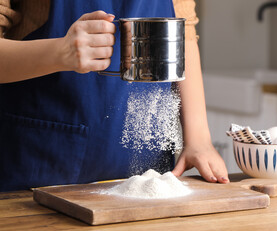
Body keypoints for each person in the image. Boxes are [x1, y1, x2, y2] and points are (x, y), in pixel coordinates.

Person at [0, 0, 229, 191]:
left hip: (146, 176)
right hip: (40, 169)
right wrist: (60, 52)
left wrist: (198, 138)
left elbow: (183, 33)